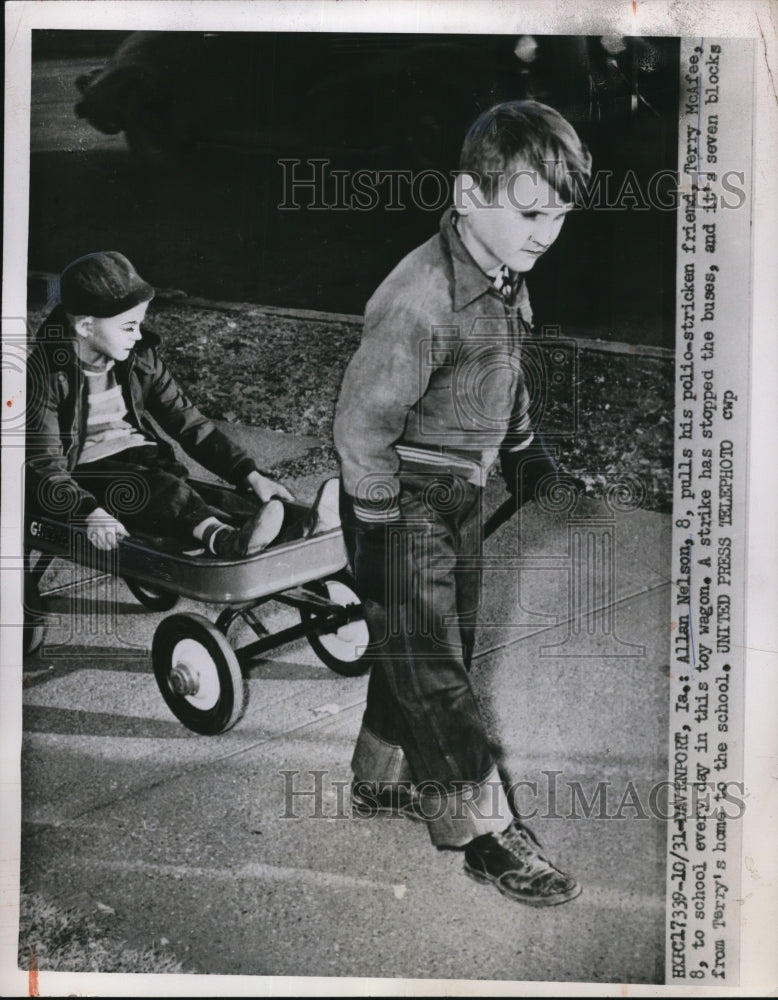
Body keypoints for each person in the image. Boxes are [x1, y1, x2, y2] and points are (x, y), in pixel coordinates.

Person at [332, 100, 592, 907]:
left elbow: (502, 373)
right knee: (436, 668)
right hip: (398, 499)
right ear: (470, 195)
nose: (546, 229)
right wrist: (376, 525)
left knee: (431, 650)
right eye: (529, 210)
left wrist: (525, 453)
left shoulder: (504, 278)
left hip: (457, 492)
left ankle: (380, 780)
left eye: (559, 212)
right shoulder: (421, 297)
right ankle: (482, 834)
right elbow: (361, 423)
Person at [26, 251, 296, 558]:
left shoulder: (140, 359)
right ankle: (222, 539)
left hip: (144, 461)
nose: (138, 335)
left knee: (198, 494)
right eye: (128, 327)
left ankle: (291, 529)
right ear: (86, 327)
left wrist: (249, 474)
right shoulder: (45, 376)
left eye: (140, 324)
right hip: (87, 475)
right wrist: (87, 511)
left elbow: (191, 424)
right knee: (160, 492)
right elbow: (42, 462)